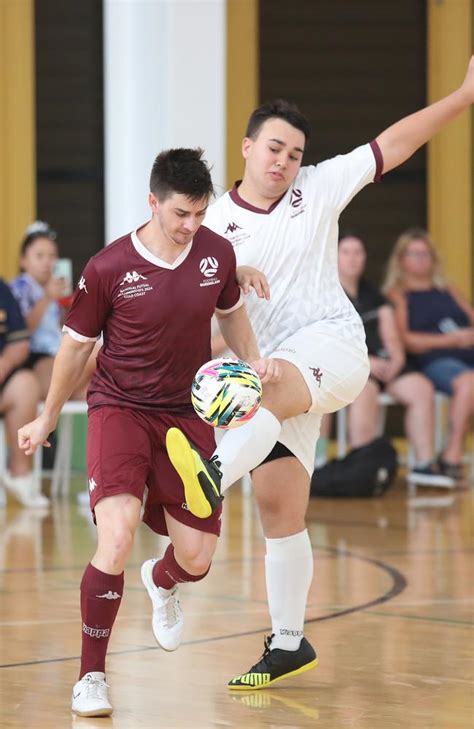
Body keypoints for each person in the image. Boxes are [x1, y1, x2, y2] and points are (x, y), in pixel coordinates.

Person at [164, 58, 474, 689]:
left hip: (331, 348)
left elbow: (395, 142)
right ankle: (288, 641)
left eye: (294, 151)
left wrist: (464, 97)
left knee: (262, 390)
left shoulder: (320, 186)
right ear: (248, 148)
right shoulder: (214, 227)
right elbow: (195, 310)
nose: (283, 160)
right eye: (273, 147)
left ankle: (213, 475)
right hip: (268, 371)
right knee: (281, 509)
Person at [17, 148, 278, 718]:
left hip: (188, 416)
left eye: (200, 215)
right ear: (153, 202)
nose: (191, 226)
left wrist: (252, 362)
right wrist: (47, 414)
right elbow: (74, 348)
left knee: (198, 558)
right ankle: (90, 676)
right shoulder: (108, 268)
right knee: (116, 532)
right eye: (181, 213)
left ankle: (162, 581)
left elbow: (229, 310)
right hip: (120, 408)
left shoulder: (215, 252)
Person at [318, 233, 454, 486]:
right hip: (356, 368)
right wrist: (368, 361)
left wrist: (397, 359)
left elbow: (391, 335)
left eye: (358, 252)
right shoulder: (325, 295)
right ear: (333, 256)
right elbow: (328, 341)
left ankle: (423, 465)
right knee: (364, 390)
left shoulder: (374, 294)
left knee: (421, 388)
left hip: (387, 366)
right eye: (346, 252)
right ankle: (362, 468)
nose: (353, 258)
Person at [383, 228, 474, 481]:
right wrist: (451, 339)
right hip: (435, 359)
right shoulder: (398, 294)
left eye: (426, 254)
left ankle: (451, 452)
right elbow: (406, 340)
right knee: (468, 382)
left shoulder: (449, 290)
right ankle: (451, 455)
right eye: (414, 254)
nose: (422, 259)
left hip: (467, 353)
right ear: (401, 259)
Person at [10, 221, 90, 400]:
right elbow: (21, 330)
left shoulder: (49, 286)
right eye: (39, 256)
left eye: (52, 256)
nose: (47, 262)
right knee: (93, 353)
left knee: (91, 387)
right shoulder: (20, 287)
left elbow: (59, 327)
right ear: (23, 260)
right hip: (35, 359)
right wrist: (46, 297)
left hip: (55, 353)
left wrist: (69, 307)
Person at [0, 279, 46, 507]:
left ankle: (20, 475)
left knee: (26, 384)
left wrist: (4, 364)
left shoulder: (2, 290)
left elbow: (20, 343)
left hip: (2, 383)